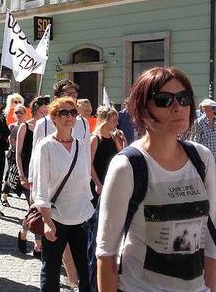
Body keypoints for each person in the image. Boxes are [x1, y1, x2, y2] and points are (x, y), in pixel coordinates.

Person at [97, 67, 216, 291]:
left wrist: (210, 288)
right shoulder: (128, 166)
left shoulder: (201, 158)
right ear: (142, 110)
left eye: (184, 99)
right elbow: (106, 252)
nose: (178, 107)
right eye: (164, 100)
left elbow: (211, 238)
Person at [30, 79, 90, 287]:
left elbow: (85, 179)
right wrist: (46, 220)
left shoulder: (81, 145)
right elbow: (40, 185)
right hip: (56, 216)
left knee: (86, 268)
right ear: (53, 117)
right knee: (51, 268)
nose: (69, 117)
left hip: (82, 216)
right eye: (63, 113)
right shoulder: (46, 146)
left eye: (73, 113)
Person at [87, 105, 126, 291]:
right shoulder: (95, 139)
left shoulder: (113, 137)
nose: (116, 123)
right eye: (113, 120)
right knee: (97, 221)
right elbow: (90, 164)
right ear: (104, 120)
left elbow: (121, 155)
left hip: (112, 185)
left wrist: (120, 140)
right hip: (99, 184)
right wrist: (97, 183)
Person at [16, 96, 50, 255]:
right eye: (42, 112)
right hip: (29, 173)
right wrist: (22, 175)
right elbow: (18, 153)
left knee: (40, 208)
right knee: (35, 209)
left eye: (46, 112)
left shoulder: (50, 127)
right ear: (35, 111)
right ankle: (33, 241)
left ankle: (31, 240)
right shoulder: (25, 127)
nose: (44, 115)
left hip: (44, 172)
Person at [1, 103, 28, 207]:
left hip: (25, 154)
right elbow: (11, 142)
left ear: (25, 113)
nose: (19, 114)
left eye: (21, 112)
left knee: (25, 174)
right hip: (13, 153)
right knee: (11, 174)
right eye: (17, 112)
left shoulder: (29, 126)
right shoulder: (12, 126)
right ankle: (4, 196)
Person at [187, 99, 216, 165]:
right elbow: (195, 141)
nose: (215, 110)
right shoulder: (198, 123)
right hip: (204, 159)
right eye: (213, 107)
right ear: (204, 109)